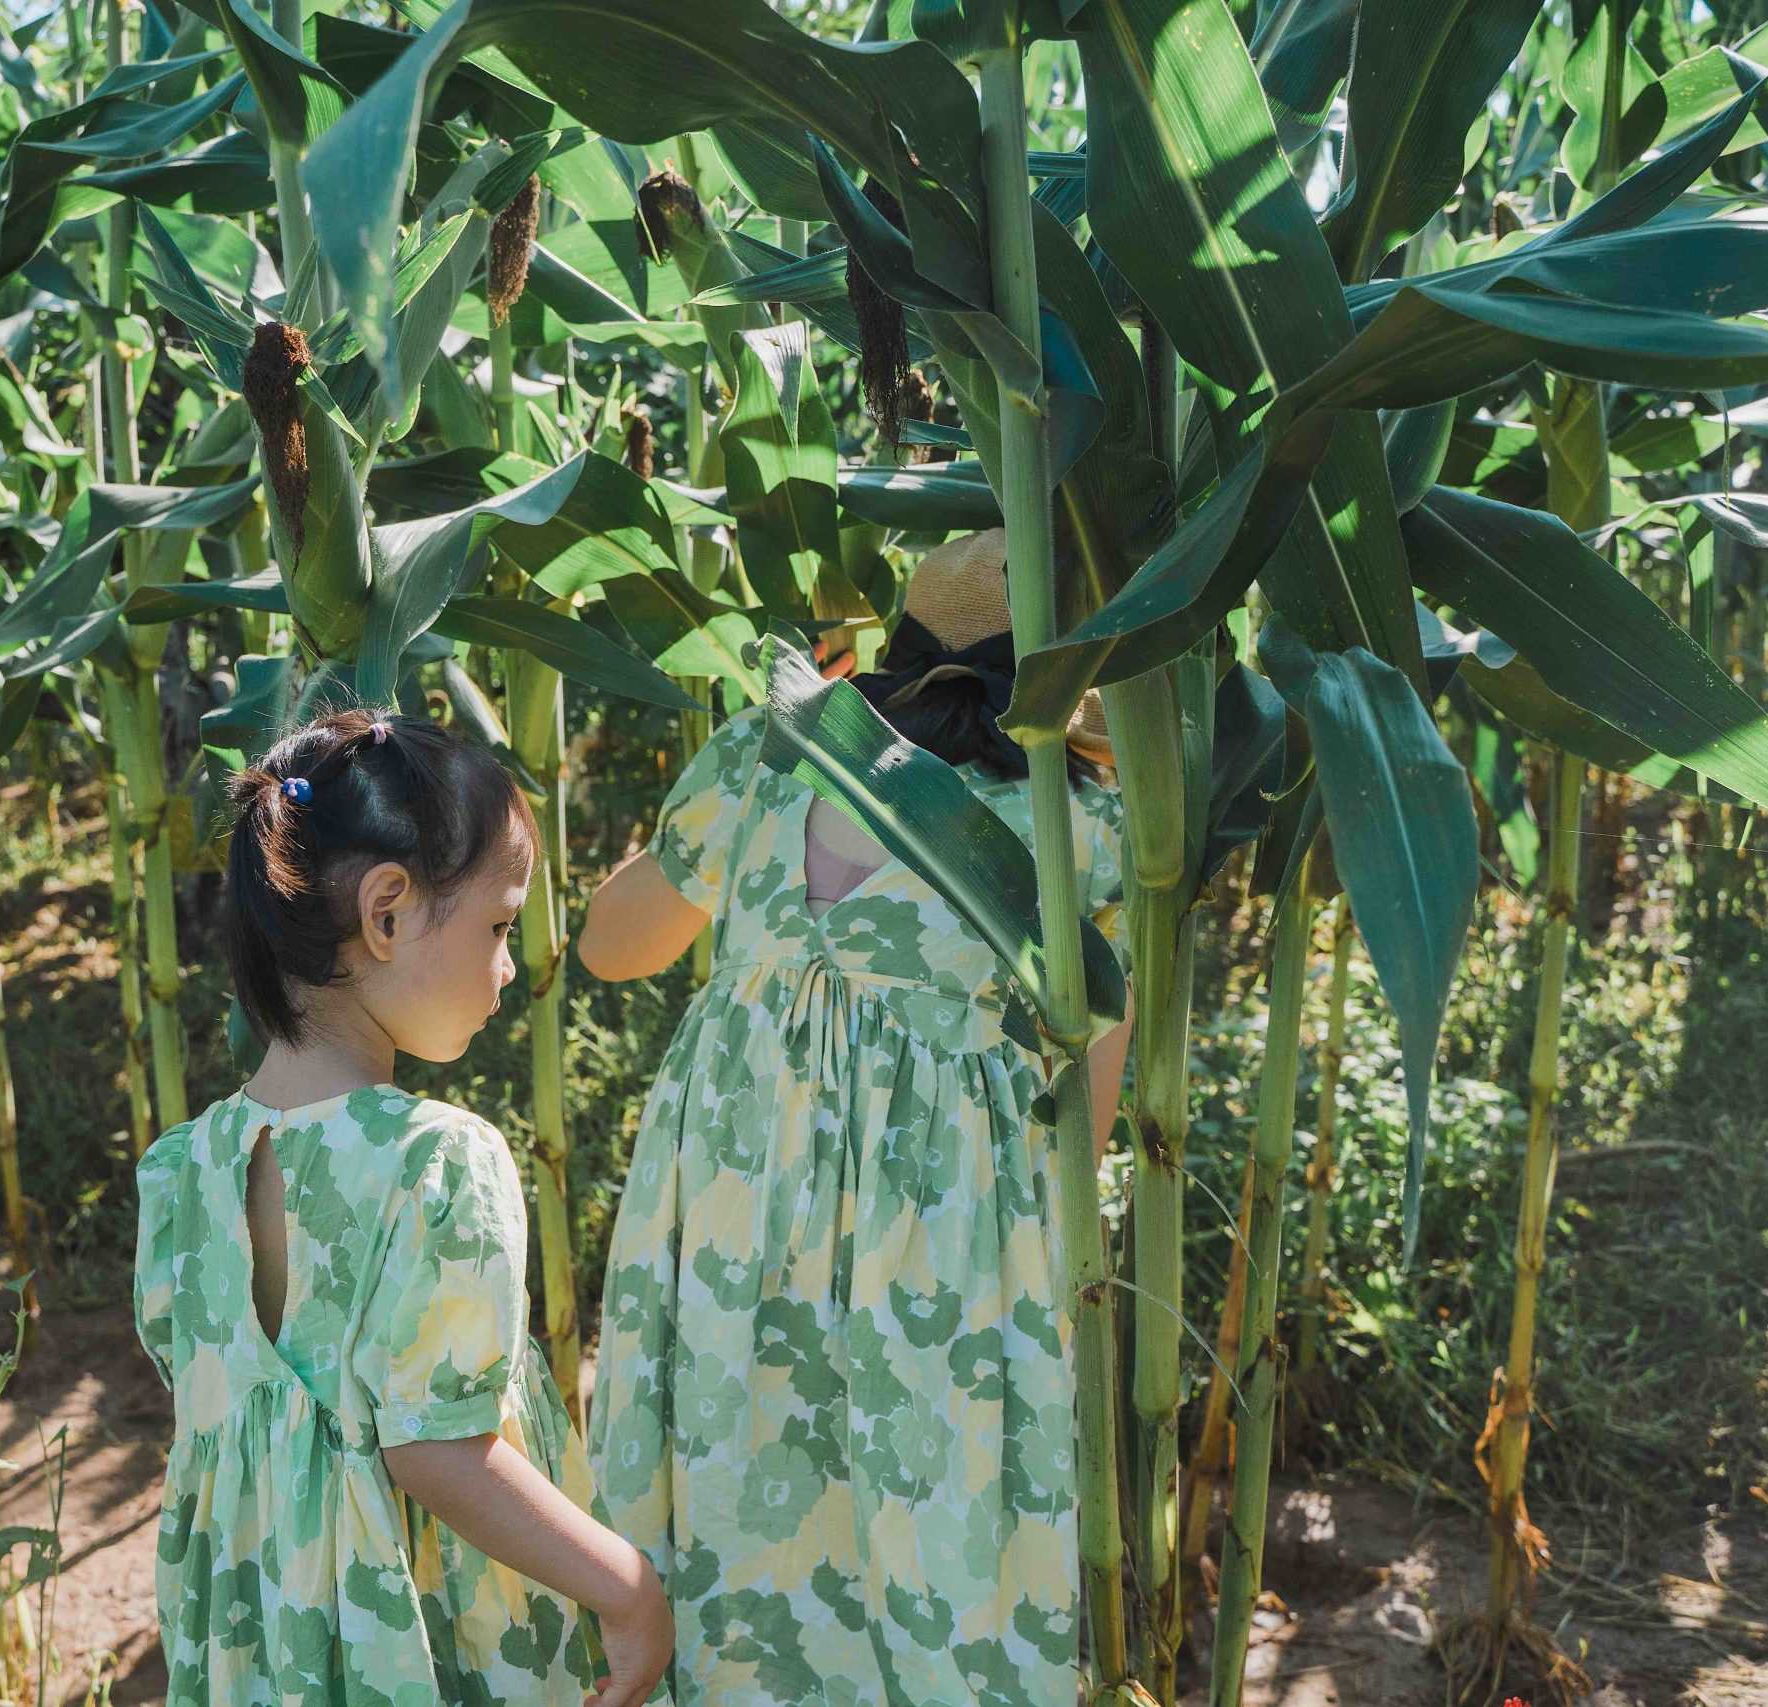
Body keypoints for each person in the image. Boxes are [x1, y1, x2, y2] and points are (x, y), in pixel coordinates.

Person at [578, 530, 1134, 1705]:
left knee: (738, 1469)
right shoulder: (1078, 822)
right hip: (938, 1229)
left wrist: (720, 792)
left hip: (733, 1205)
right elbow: (1090, 1086)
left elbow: (611, 947)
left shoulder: (766, 760)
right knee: (925, 1507)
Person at [135, 706, 672, 1707]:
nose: (508, 966)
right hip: (418, 1641)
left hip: (265, 1648)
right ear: (386, 912)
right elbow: (436, 1450)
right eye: (499, 926)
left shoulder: (181, 1170)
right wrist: (627, 1589)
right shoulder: (437, 1159)